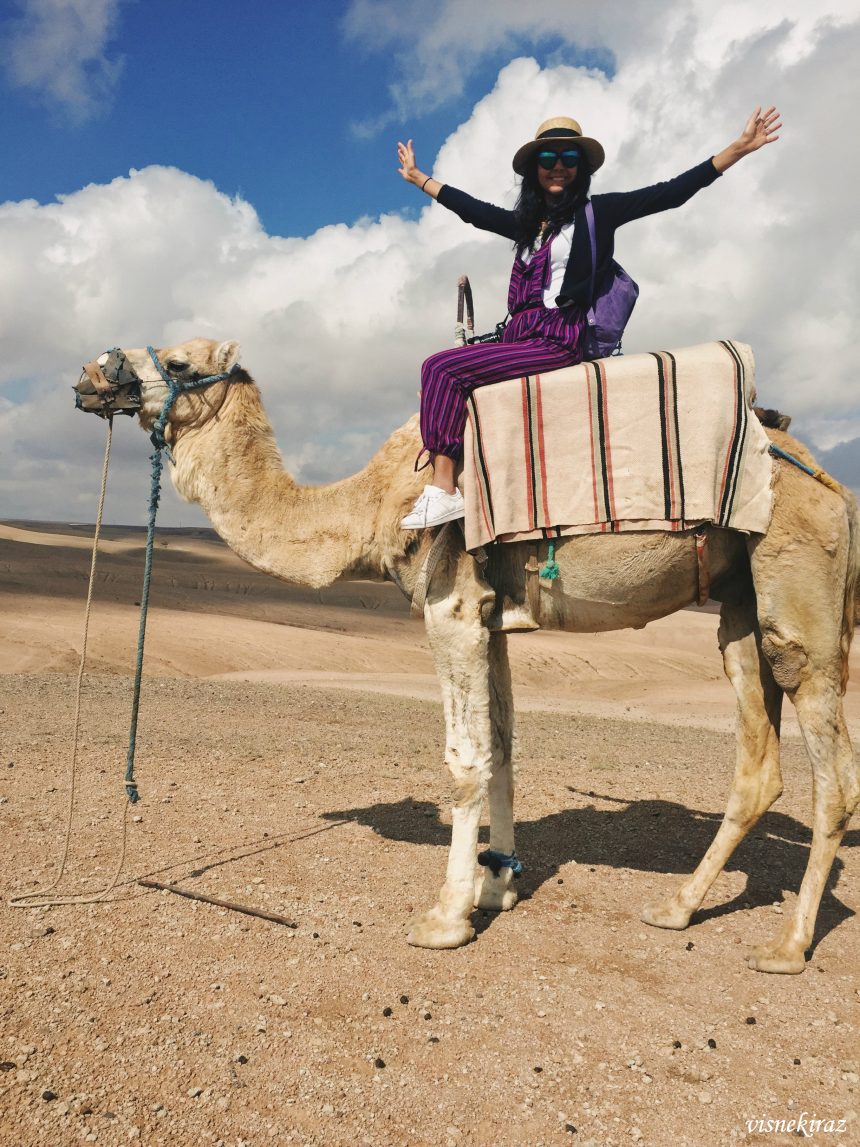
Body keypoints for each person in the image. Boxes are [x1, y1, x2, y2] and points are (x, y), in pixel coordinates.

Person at [397, 107, 781, 529]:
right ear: (534, 169)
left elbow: (671, 192)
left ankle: (444, 490)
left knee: (440, 368)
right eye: (548, 158)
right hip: (517, 337)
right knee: (442, 381)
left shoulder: (599, 213)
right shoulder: (526, 226)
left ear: (581, 168)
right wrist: (419, 179)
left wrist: (738, 149)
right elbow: (472, 209)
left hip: (556, 338)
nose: (558, 166)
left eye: (569, 158)